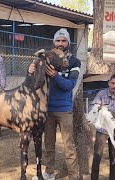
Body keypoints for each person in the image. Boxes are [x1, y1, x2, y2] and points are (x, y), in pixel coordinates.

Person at [30, 28, 81, 180]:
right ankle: (49, 173)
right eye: (57, 40)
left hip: (64, 110)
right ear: (53, 42)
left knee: (69, 146)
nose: (60, 43)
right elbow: (35, 81)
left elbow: (69, 85)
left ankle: (74, 176)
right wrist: (31, 69)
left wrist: (55, 76)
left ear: (68, 43)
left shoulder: (74, 61)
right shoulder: (47, 58)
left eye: (63, 40)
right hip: (47, 109)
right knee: (49, 145)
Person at [89, 74, 115, 180]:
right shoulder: (101, 94)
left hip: (114, 131)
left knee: (114, 158)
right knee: (97, 157)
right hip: (102, 130)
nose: (114, 86)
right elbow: (92, 107)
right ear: (109, 83)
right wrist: (101, 108)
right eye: (113, 83)